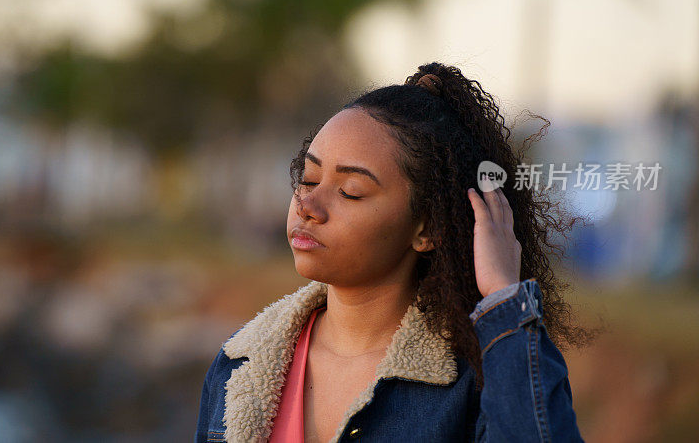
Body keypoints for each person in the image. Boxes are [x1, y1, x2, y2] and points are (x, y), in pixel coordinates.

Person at [194, 62, 596, 442]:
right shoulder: (239, 363)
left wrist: (502, 295)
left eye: (350, 191)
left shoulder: (476, 381)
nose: (307, 206)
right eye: (309, 178)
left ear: (427, 228)